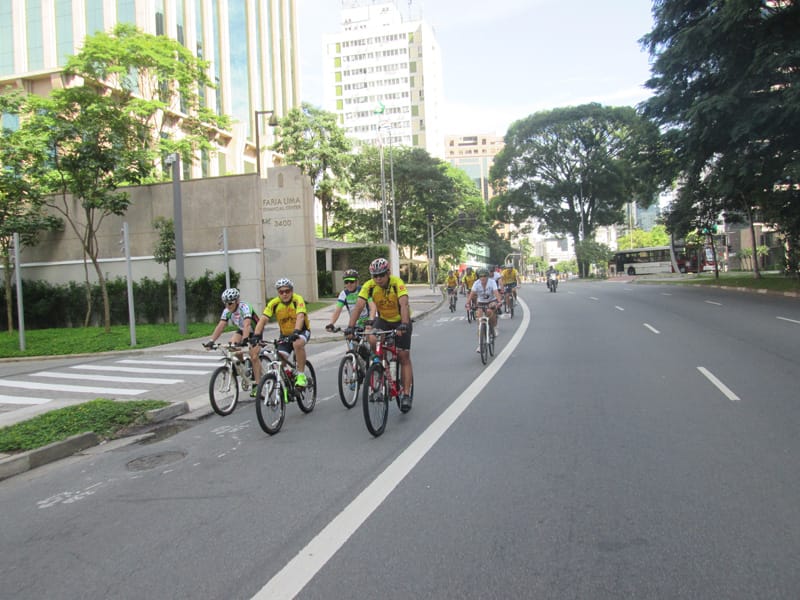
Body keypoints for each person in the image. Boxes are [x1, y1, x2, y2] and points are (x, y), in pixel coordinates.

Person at [344, 257, 414, 412]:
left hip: (401, 320)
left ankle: (406, 394)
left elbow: (404, 304)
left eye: (381, 275)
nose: (378, 279)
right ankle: (381, 366)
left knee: (403, 356)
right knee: (372, 337)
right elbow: (358, 306)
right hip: (383, 320)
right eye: (375, 276)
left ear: (388, 273)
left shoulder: (397, 283)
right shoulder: (369, 286)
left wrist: (404, 324)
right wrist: (350, 327)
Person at [253, 278, 311, 388]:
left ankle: (301, 375)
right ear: (278, 293)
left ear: (292, 291)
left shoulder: (297, 300)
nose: (284, 294)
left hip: (301, 331)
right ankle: (289, 377)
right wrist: (256, 335)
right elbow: (263, 320)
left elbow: (300, 316)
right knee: (280, 359)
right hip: (285, 335)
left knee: (297, 344)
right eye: (281, 292)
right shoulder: (274, 303)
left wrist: (296, 331)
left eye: (287, 291)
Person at [203, 288, 259, 395]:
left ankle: (257, 384)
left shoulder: (245, 307)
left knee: (254, 356)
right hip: (242, 330)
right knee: (232, 345)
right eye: (225, 303)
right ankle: (244, 366)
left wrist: (245, 340)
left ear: (237, 301)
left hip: (255, 330)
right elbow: (220, 326)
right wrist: (211, 341)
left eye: (230, 303)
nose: (228, 306)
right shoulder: (227, 311)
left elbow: (247, 324)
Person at [466, 268, 502, 353]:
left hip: (491, 301)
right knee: (479, 320)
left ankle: (494, 327)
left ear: (487, 276)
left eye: (484, 276)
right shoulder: (476, 283)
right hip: (481, 302)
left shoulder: (492, 282)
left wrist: (499, 301)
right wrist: (467, 303)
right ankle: (480, 344)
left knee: (489, 312)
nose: (482, 278)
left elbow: (496, 292)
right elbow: (472, 294)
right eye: (481, 276)